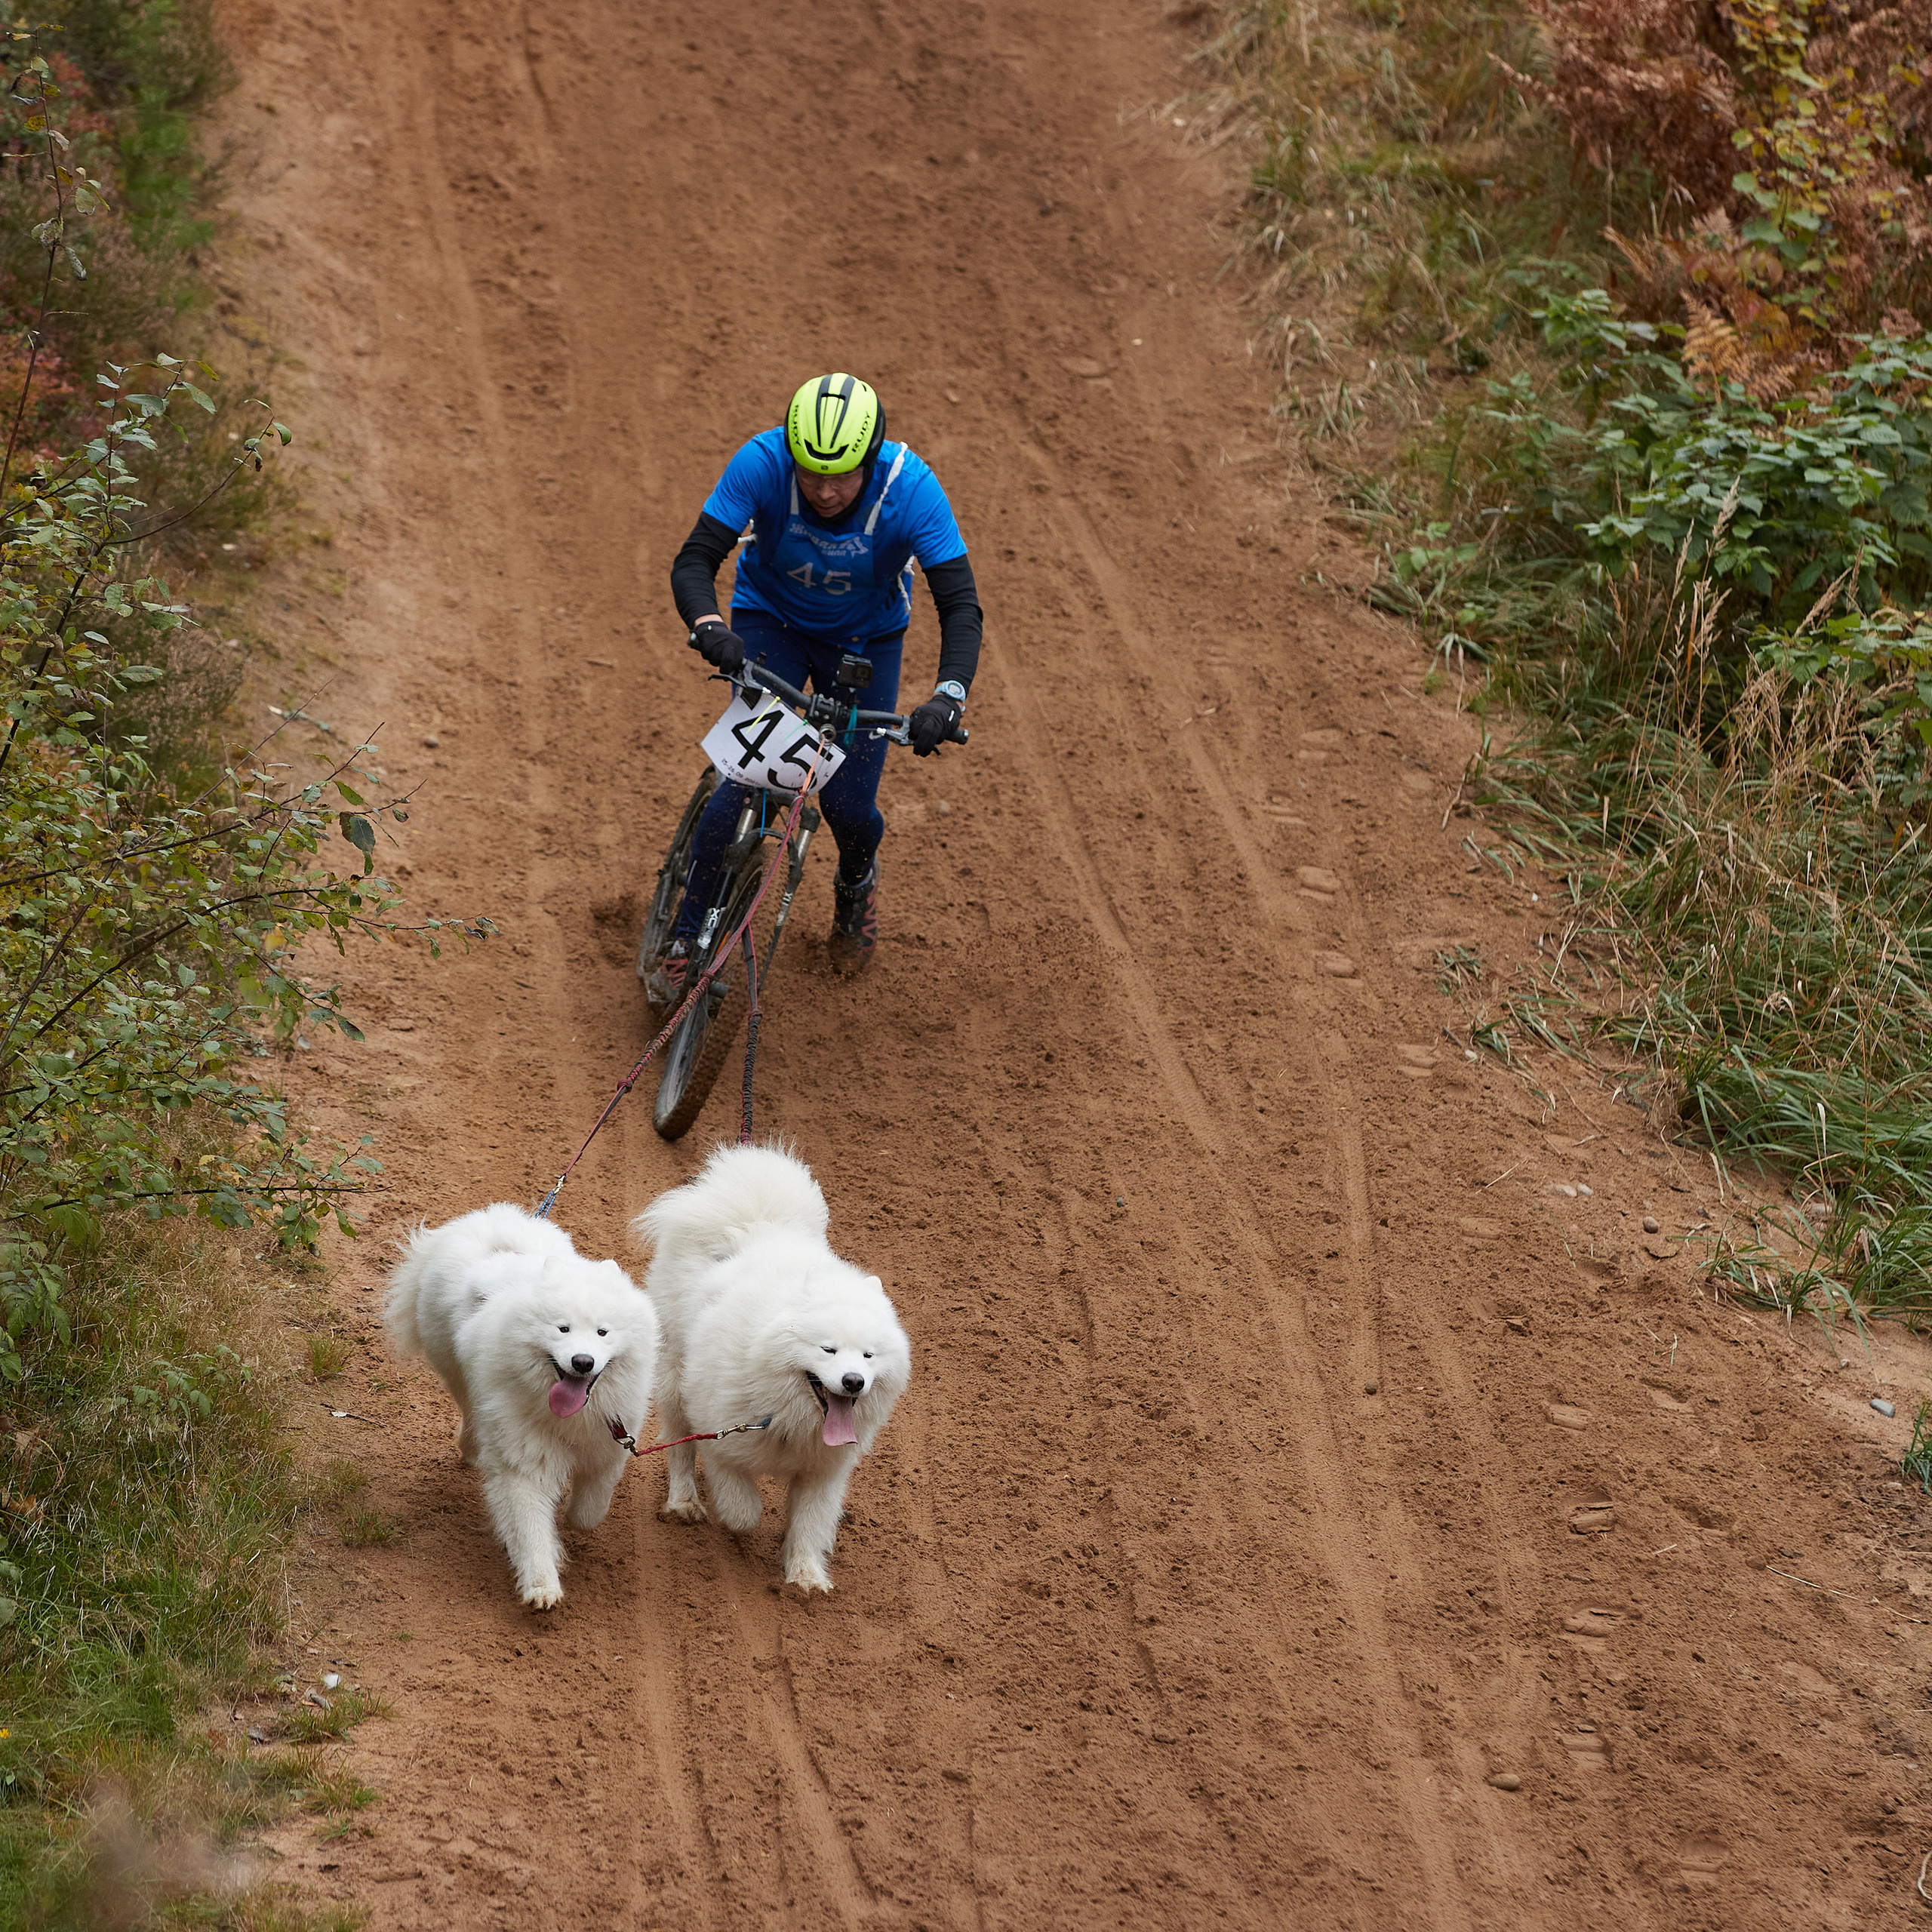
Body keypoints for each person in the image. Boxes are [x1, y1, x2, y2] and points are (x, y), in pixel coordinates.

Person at [655, 373, 982, 989]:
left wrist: (948, 696)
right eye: (811, 475)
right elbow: (696, 558)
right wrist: (710, 625)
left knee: (849, 808)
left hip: (866, 642)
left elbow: (960, 605)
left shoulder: (913, 489)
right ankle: (684, 933)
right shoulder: (763, 460)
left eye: (842, 477)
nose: (826, 491)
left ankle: (856, 883)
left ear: (871, 457)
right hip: (769, 620)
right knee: (745, 784)